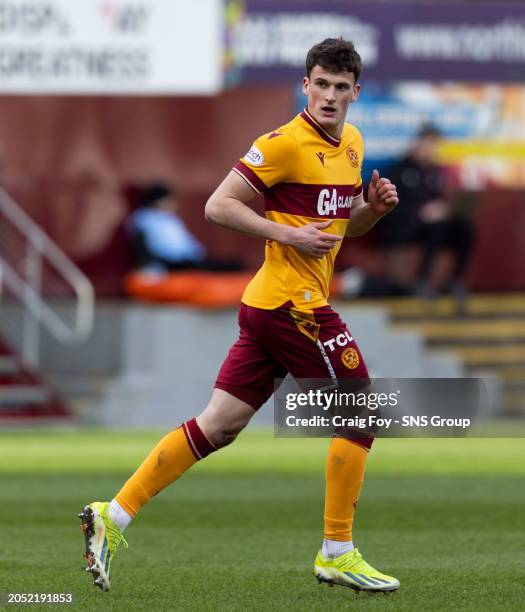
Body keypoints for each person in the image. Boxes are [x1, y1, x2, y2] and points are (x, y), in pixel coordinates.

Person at [78, 38, 401, 594]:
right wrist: (283, 231)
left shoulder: (351, 144)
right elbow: (217, 205)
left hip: (269, 307)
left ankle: (113, 514)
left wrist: (371, 212)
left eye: (339, 87)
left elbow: (336, 233)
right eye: (319, 84)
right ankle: (338, 550)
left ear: (356, 92)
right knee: (361, 412)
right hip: (292, 306)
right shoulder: (282, 144)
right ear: (305, 86)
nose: (328, 96)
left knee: (218, 425)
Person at [380, 125, 474, 299]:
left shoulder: (435, 173)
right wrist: (420, 212)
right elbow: (389, 206)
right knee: (438, 227)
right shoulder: (399, 170)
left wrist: (444, 209)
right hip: (404, 225)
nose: (432, 150)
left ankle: (454, 279)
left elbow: (437, 201)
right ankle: (422, 280)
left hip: (431, 225)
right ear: (418, 144)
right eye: (429, 145)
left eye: (436, 146)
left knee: (463, 227)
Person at [127, 181, 243, 273]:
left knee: (231, 264)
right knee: (213, 267)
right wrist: (150, 265)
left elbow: (188, 243)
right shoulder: (142, 219)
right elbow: (142, 247)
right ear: (159, 201)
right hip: (170, 263)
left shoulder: (171, 219)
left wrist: (201, 256)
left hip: (190, 259)